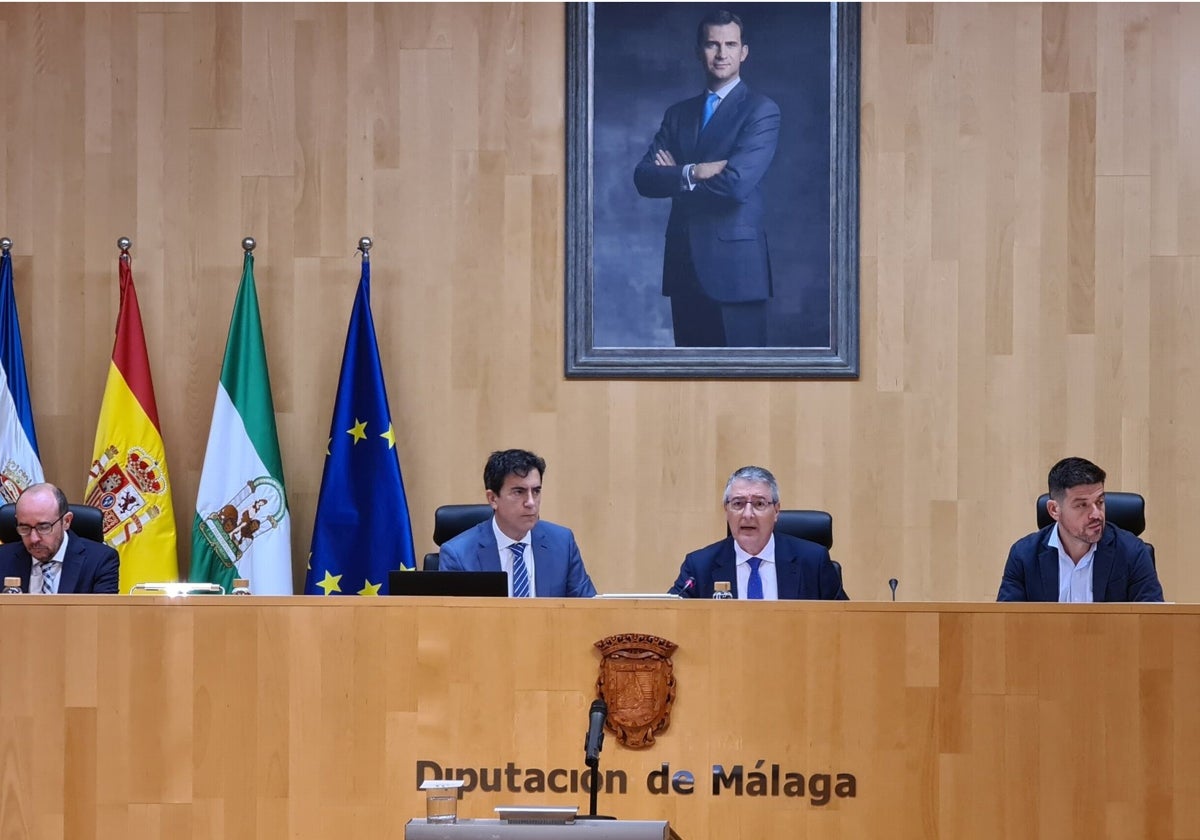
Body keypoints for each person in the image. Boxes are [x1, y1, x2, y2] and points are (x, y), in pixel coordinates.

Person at [633, 10, 781, 348]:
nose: (721, 53)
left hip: (737, 273)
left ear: (744, 51)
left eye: (730, 44)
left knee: (743, 385)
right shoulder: (678, 114)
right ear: (698, 50)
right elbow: (643, 177)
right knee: (691, 387)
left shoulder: (761, 110)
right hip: (684, 268)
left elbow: (736, 185)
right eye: (712, 44)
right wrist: (694, 171)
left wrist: (675, 178)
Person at [997, 457, 1164, 602]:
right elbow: (1006, 625)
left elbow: (1151, 625)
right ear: (1054, 510)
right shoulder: (1024, 556)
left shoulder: (1133, 553)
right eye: (1082, 505)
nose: (1096, 514)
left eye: (1100, 502)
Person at [669, 466, 847, 599]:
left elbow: (846, 624)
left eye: (759, 504)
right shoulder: (699, 567)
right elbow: (671, 618)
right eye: (738, 504)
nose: (747, 514)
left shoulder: (813, 562)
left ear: (776, 511)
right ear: (726, 511)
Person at [438, 449, 597, 598]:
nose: (530, 502)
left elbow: (589, 611)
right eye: (519, 492)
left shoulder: (562, 544)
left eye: (536, 491)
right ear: (493, 499)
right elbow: (452, 622)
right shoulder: (458, 555)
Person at [0, 483, 119, 594]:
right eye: (25, 528)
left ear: (66, 521)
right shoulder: (2, 558)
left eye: (44, 527)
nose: (33, 539)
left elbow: (104, 615)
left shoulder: (100, 561)